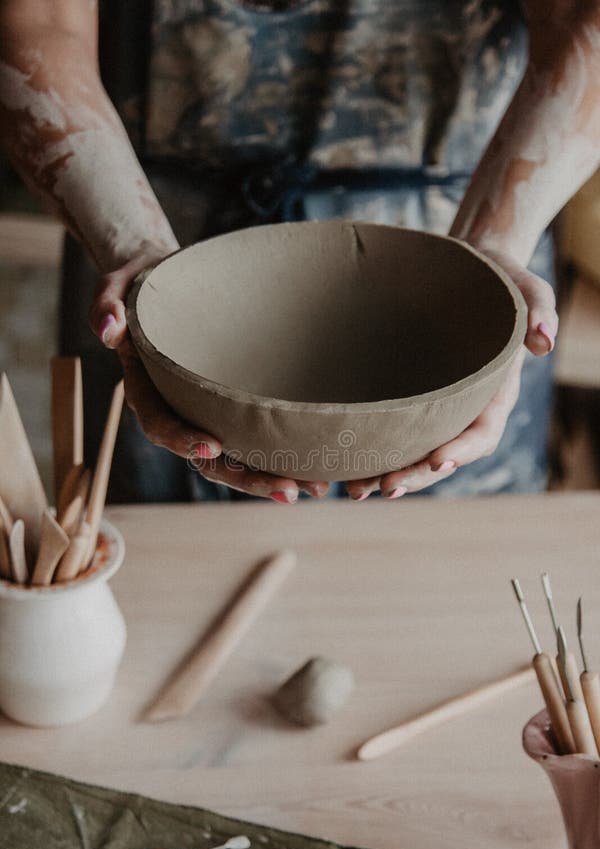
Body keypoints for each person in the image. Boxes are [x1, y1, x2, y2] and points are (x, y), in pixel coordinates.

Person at [0, 0, 597, 504]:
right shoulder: (148, 260)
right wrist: (134, 248)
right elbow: (39, 24)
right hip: (153, 238)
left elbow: (582, 22)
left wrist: (492, 247)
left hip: (457, 252)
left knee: (444, 607)